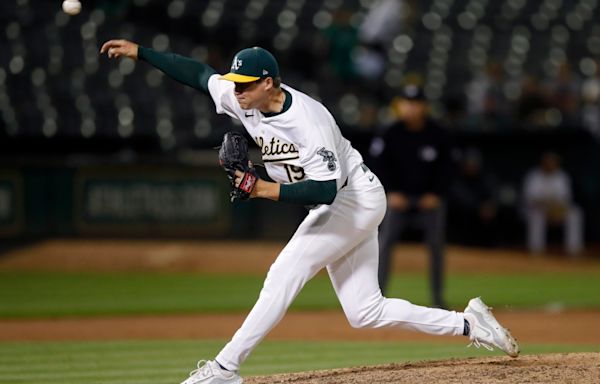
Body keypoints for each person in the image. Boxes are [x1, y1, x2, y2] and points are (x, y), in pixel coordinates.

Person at [100, 40, 519, 384]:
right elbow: (196, 74)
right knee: (365, 311)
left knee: (285, 273)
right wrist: (142, 53)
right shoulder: (242, 97)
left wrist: (261, 187)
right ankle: (470, 324)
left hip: (354, 200)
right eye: (236, 83)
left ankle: (225, 368)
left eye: (246, 84)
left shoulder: (308, 120)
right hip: (347, 201)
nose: (237, 90)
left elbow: (323, 191)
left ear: (270, 83)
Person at [369, 85, 452, 308]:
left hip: (430, 202)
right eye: (406, 102)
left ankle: (437, 299)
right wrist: (390, 191)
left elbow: (447, 168)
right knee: (385, 244)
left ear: (424, 106)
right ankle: (377, 298)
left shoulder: (438, 134)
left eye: (415, 103)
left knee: (436, 247)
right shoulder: (389, 133)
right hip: (397, 200)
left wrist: (436, 194)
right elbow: (377, 166)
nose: (411, 107)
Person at [523, 152, 584, 256]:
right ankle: (536, 250)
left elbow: (565, 199)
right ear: (543, 163)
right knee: (536, 216)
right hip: (537, 209)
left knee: (575, 213)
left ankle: (573, 249)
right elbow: (531, 199)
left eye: (553, 163)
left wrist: (556, 210)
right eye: (548, 162)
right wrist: (548, 208)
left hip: (556, 210)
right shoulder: (534, 176)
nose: (550, 165)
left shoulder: (562, 176)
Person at [448, 148, 501, 247]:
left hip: (484, 217)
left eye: (474, 164)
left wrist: (490, 206)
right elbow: (460, 197)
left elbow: (494, 194)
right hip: (465, 217)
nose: (471, 167)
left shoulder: (486, 176)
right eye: (469, 164)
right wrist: (478, 207)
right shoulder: (457, 178)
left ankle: (491, 247)